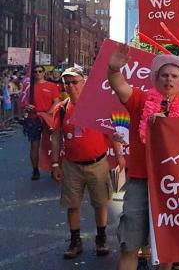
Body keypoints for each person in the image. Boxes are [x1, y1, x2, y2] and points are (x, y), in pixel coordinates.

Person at [107, 44, 179, 270]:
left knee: (166, 246)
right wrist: (113, 69)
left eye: (174, 76)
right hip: (140, 180)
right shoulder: (141, 100)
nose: (169, 80)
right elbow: (119, 87)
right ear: (156, 79)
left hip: (172, 184)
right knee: (130, 245)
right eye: (164, 75)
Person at [49, 67, 124, 259]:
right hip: (71, 165)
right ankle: (75, 241)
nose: (71, 86)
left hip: (97, 163)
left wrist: (119, 155)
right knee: (72, 205)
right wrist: (55, 164)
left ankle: (101, 238)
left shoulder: (97, 106)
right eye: (67, 83)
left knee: (101, 203)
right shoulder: (62, 109)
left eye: (75, 82)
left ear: (84, 83)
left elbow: (111, 132)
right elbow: (56, 137)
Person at [23, 65, 61, 180]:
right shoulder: (30, 88)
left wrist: (47, 114)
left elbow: (56, 101)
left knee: (51, 144)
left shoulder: (52, 86)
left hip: (48, 118)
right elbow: (24, 103)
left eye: (40, 71)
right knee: (34, 145)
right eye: (35, 71)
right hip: (33, 118)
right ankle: (35, 170)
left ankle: (52, 168)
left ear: (44, 73)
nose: (37, 73)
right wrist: (27, 107)